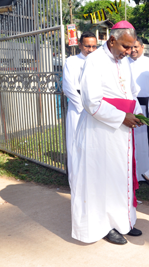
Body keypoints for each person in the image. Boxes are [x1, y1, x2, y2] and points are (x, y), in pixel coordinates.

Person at [70, 21, 143, 245]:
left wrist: (137, 112)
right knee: (101, 178)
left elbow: (130, 92)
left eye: (131, 48)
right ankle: (103, 226)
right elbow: (91, 102)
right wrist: (122, 116)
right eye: (125, 47)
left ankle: (123, 222)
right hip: (99, 131)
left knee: (119, 176)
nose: (129, 52)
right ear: (112, 41)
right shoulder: (94, 61)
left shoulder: (124, 61)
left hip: (121, 132)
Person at [62, 31, 97, 184]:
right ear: (80, 45)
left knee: (93, 144)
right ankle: (75, 181)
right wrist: (83, 107)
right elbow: (68, 87)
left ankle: (92, 181)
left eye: (94, 46)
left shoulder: (99, 62)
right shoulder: (71, 61)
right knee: (75, 144)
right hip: (78, 108)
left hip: (96, 108)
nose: (91, 50)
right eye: (87, 46)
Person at [128, 36, 149, 185]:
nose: (133, 50)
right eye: (130, 47)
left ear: (142, 47)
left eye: (136, 47)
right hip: (129, 107)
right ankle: (133, 172)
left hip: (148, 106)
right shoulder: (122, 63)